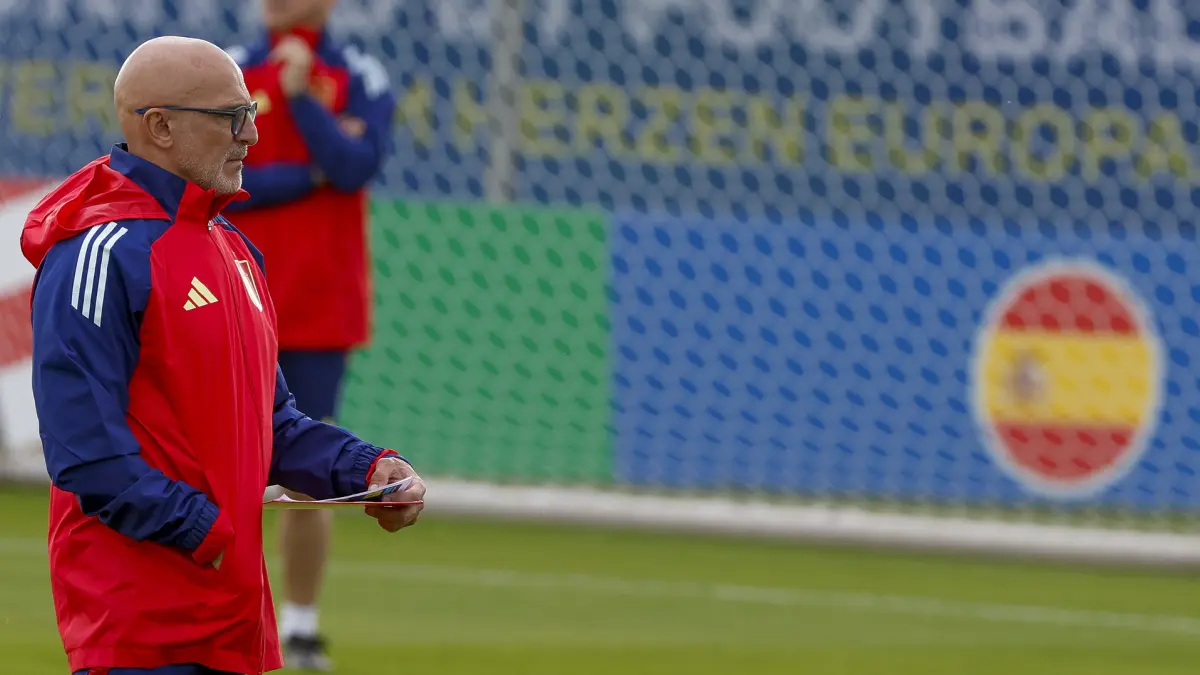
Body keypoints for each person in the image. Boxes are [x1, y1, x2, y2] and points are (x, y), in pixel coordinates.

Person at [21, 35, 425, 675]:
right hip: (140, 631)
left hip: (232, 622)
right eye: (232, 117)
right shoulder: (97, 255)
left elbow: (273, 425)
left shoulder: (233, 248)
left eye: (252, 114)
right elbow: (84, 449)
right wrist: (202, 531)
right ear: (159, 126)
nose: (251, 137)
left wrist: (367, 470)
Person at [221, 1, 396, 668]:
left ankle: (298, 626)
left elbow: (353, 166)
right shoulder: (229, 70)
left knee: (308, 465)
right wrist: (308, 175)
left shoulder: (358, 74)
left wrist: (300, 99)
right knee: (219, 460)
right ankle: (223, 614)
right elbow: (224, 181)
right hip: (235, 293)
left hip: (321, 306)